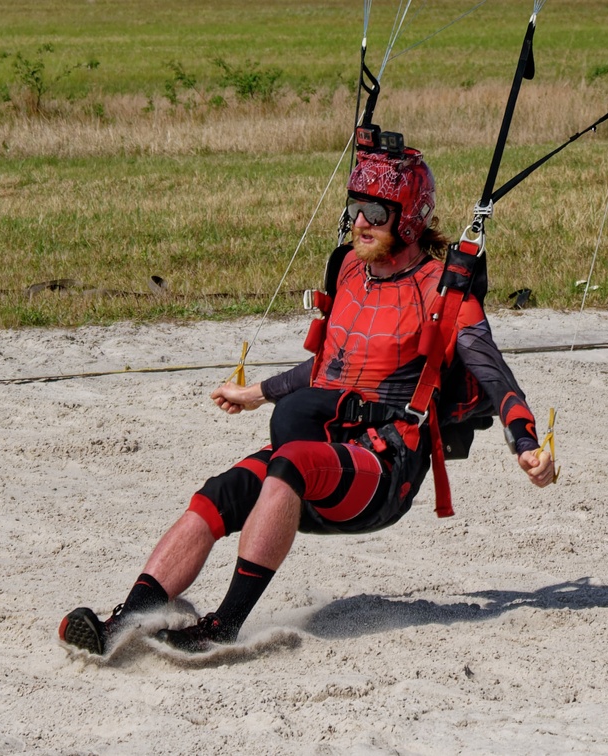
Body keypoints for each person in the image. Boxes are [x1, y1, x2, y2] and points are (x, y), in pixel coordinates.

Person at [59, 141, 554, 656]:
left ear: (408, 219)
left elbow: (497, 377)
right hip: (327, 446)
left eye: (376, 211)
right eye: (355, 207)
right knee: (221, 492)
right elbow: (328, 366)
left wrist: (526, 443)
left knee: (290, 463)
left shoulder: (443, 292)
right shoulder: (348, 272)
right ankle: (126, 617)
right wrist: (255, 394)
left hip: (387, 468)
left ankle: (223, 625)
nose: (360, 221)